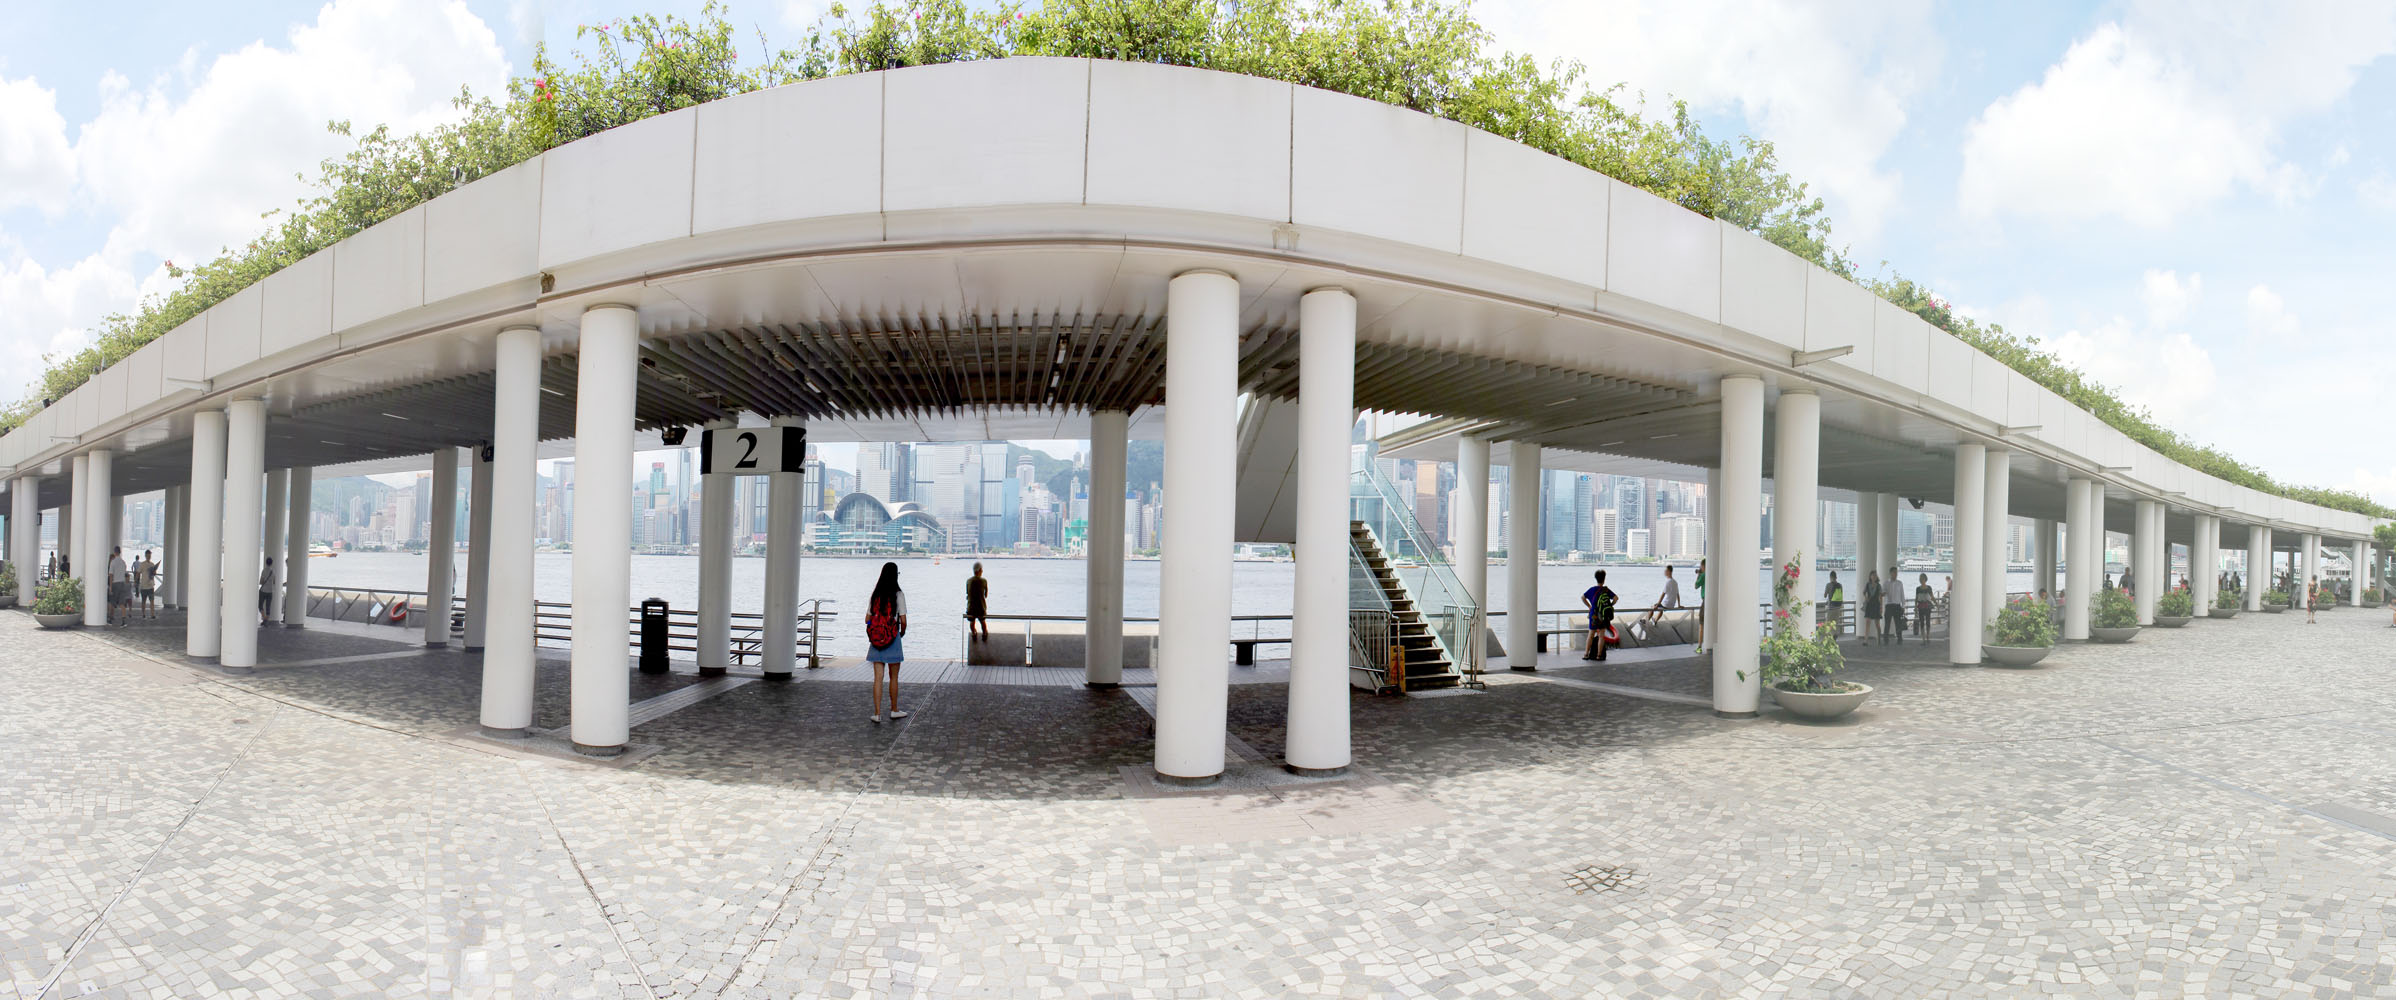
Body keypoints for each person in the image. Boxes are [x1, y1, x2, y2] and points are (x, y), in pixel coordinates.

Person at [865, 562, 909, 723]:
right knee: (894, 677)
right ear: (895, 575)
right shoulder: (898, 594)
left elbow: (867, 619)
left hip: (876, 639)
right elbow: (903, 620)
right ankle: (894, 710)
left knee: (878, 677)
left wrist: (873, 628)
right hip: (893, 637)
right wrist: (901, 632)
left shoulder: (875, 594)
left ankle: (876, 713)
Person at [1581, 570, 1618, 661]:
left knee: (1591, 635)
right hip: (1603, 615)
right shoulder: (1605, 590)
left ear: (1596, 579)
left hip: (1594, 615)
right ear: (1604, 579)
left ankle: (1586, 654)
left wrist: (1589, 606)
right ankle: (1599, 655)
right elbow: (1616, 598)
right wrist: (1610, 605)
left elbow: (1582, 597)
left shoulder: (1592, 589)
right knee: (1601, 636)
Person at [1645, 565, 1681, 631]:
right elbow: (1677, 594)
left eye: (1666, 571)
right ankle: (1655, 620)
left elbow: (1663, 594)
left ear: (1669, 571)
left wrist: (1657, 605)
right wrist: (1679, 605)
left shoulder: (1668, 582)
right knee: (1660, 608)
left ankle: (1646, 621)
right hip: (1672, 605)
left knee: (1652, 607)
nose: (1664, 572)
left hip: (1666, 604)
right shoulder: (1675, 582)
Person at [963, 562, 990, 641]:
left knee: (972, 622)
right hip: (981, 608)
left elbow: (967, 593)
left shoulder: (968, 581)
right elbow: (986, 595)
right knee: (983, 622)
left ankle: (974, 633)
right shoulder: (984, 581)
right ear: (980, 570)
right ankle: (984, 633)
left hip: (970, 608)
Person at [106, 547, 130, 627]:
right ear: (120, 552)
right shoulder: (123, 562)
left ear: (115, 552)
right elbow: (125, 573)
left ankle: (110, 619)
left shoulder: (113, 562)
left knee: (112, 602)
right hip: (122, 583)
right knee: (122, 603)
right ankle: (124, 621)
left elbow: (111, 575)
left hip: (115, 583)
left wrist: (111, 587)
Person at [1884, 565, 1905, 642]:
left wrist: (1903, 606)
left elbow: (1902, 595)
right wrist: (1883, 593)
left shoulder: (1900, 583)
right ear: (1890, 573)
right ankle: (1886, 639)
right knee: (1887, 624)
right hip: (1889, 605)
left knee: (1898, 623)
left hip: (1897, 606)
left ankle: (1900, 639)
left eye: (1896, 572)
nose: (1896, 574)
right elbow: (1883, 592)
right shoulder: (1886, 583)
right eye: (1894, 572)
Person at [1860, 570, 1882, 641]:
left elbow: (1880, 596)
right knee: (1867, 622)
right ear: (1870, 576)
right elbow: (1863, 592)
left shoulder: (1879, 586)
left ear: (1876, 577)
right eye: (1872, 575)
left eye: (1875, 575)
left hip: (1876, 605)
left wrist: (1881, 607)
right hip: (1869, 604)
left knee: (1877, 624)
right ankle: (1865, 640)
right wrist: (1866, 597)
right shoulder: (1867, 584)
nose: (1873, 577)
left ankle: (1879, 638)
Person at [135, 550, 158, 620]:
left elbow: (154, 573)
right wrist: (136, 581)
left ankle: (152, 614)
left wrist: (154, 572)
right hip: (144, 586)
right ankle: (143, 614)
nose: (149, 557)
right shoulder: (142, 564)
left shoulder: (152, 564)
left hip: (151, 585)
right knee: (143, 601)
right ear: (145, 556)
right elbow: (138, 573)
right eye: (148, 555)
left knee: (152, 601)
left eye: (150, 555)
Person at [1691, 559, 1707, 654]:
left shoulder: (1703, 575)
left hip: (1705, 601)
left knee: (1701, 624)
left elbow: (1696, 586)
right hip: (1714, 600)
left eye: (1701, 566)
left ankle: (1699, 647)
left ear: (1703, 566)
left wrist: (1698, 575)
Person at [1823, 570, 1845, 637]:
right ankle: (1835, 634)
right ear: (1836, 577)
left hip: (1831, 607)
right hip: (1838, 607)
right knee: (1835, 622)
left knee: (1828, 622)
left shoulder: (1828, 585)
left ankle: (1829, 637)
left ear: (1830, 577)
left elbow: (1825, 595)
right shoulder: (1840, 585)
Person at [1914, 573, 1934, 640]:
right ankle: (1923, 639)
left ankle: (1928, 636)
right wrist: (1915, 607)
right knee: (1921, 622)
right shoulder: (1918, 589)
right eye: (1920, 578)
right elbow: (1916, 599)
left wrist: (1936, 604)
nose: (1920, 580)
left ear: (1925, 579)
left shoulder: (1929, 588)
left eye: (1921, 578)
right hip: (1920, 606)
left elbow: (1932, 597)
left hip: (1927, 606)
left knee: (1928, 622)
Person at [259, 556, 277, 623]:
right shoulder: (273, 572)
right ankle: (266, 620)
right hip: (270, 591)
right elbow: (274, 582)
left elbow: (261, 582)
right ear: (271, 563)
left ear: (266, 563)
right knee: (268, 606)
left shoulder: (264, 570)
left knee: (260, 605)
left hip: (263, 591)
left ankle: (264, 618)